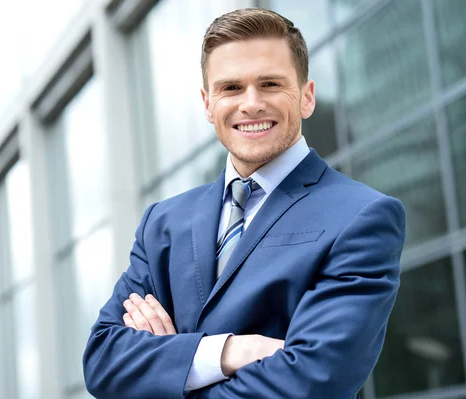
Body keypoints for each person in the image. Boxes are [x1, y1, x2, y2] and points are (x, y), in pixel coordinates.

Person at [83, 8, 405, 399]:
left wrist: (168, 367)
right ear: (207, 103)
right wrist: (230, 351)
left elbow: (313, 381)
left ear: (306, 97)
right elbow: (103, 360)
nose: (250, 104)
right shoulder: (163, 223)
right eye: (231, 88)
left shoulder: (361, 216)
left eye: (270, 84)